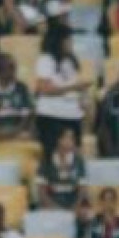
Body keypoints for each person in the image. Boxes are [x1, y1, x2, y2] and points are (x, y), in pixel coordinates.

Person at [34, 25, 87, 155]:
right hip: (52, 116)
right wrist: (74, 88)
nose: (71, 43)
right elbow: (45, 88)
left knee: (74, 157)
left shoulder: (69, 62)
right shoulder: (45, 60)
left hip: (72, 115)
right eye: (68, 39)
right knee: (54, 156)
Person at [0, 53, 35, 140]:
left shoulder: (21, 88)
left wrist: (16, 131)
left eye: (14, 68)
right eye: (10, 68)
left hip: (16, 129)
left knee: (26, 135)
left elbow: (27, 116)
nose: (14, 71)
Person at [36, 128, 86, 209]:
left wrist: (75, 207)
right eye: (66, 137)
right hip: (52, 199)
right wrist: (53, 208)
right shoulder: (46, 160)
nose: (70, 141)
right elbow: (41, 191)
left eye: (72, 138)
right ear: (58, 139)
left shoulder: (78, 161)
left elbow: (82, 190)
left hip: (72, 200)